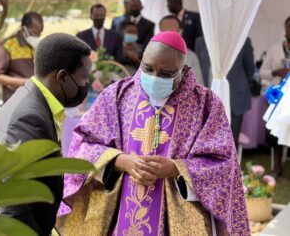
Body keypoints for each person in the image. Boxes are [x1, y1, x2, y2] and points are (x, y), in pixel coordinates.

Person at [57, 31, 249, 235]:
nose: (155, 78)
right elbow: (83, 145)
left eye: (165, 74)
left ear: (182, 70)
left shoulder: (205, 104)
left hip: (180, 217)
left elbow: (223, 164)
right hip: (120, 210)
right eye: (148, 68)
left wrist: (177, 168)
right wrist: (122, 160)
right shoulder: (116, 95)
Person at [0, 33, 92, 236]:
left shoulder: (31, 96)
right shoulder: (30, 118)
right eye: (83, 78)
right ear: (62, 77)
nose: (85, 85)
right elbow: (15, 207)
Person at [195, 36, 255, 147]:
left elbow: (250, 70)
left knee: (231, 141)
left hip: (235, 99)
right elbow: (199, 70)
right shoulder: (201, 42)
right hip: (207, 99)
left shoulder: (242, 39)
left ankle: (230, 164)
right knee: (207, 142)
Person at [0, 12, 43, 102]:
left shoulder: (37, 45)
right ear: (24, 29)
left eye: (39, 34)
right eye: (34, 34)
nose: (36, 37)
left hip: (35, 101)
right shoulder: (9, 45)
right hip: (15, 102)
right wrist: (23, 82)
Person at [260, 16, 290, 178]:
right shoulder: (274, 49)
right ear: (285, 28)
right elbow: (261, 72)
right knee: (274, 133)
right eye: (289, 26)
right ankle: (277, 166)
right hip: (278, 98)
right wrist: (276, 72)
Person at [159, 15, 204, 85]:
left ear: (181, 32)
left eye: (173, 32)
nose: (169, 35)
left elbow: (198, 86)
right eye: (165, 32)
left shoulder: (191, 56)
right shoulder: (151, 55)